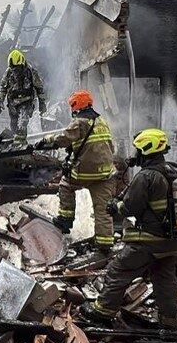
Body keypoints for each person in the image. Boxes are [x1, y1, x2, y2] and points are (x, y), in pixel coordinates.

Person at [81, 129, 177, 330]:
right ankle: (169, 321)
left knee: (119, 269)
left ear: (146, 149)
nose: (135, 154)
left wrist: (114, 206)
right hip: (171, 242)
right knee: (165, 280)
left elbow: (130, 207)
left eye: (138, 149)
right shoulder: (172, 173)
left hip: (148, 241)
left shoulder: (146, 177)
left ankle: (102, 311)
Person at [34, 90, 116, 252]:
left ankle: (65, 219)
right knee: (103, 209)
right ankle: (105, 243)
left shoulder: (80, 122)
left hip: (86, 173)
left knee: (66, 185)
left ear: (76, 106)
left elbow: (63, 139)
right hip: (106, 174)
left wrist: (46, 140)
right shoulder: (102, 122)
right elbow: (110, 146)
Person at [0, 49, 46, 143]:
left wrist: (42, 103)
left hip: (26, 102)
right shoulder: (9, 72)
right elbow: (3, 87)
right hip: (12, 104)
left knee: (22, 124)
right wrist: (0, 101)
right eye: (13, 68)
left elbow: (39, 87)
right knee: (14, 126)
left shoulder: (31, 72)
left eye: (17, 68)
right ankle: (19, 145)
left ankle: (19, 146)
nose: (15, 71)